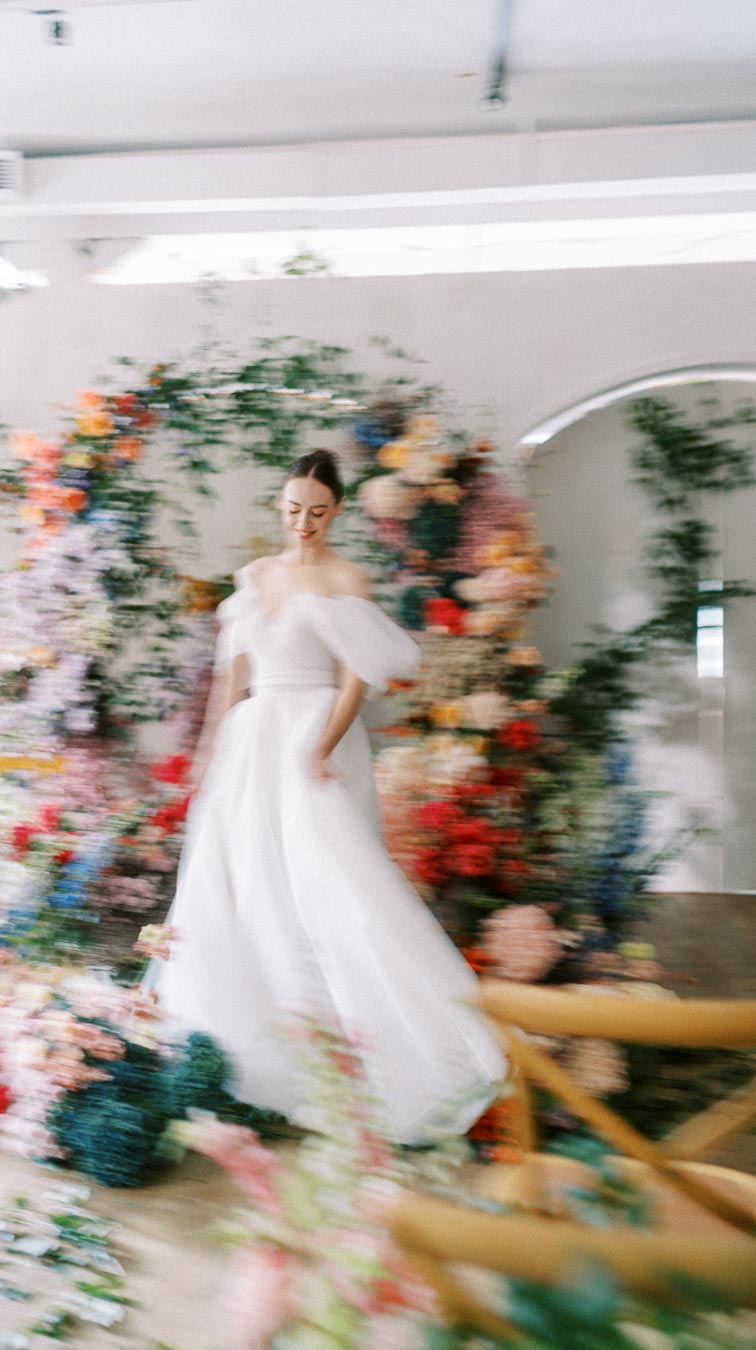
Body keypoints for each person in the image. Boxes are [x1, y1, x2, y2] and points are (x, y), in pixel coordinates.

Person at [143, 449, 506, 1143]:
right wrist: (208, 750)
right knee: (243, 879)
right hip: (254, 738)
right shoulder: (251, 578)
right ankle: (247, 1044)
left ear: (335, 511)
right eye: (290, 510)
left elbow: (356, 678)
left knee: (332, 876)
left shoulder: (346, 576)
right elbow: (232, 679)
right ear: (278, 507)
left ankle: (390, 1042)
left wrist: (320, 744)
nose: (301, 522)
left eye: (315, 511)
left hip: (314, 727)